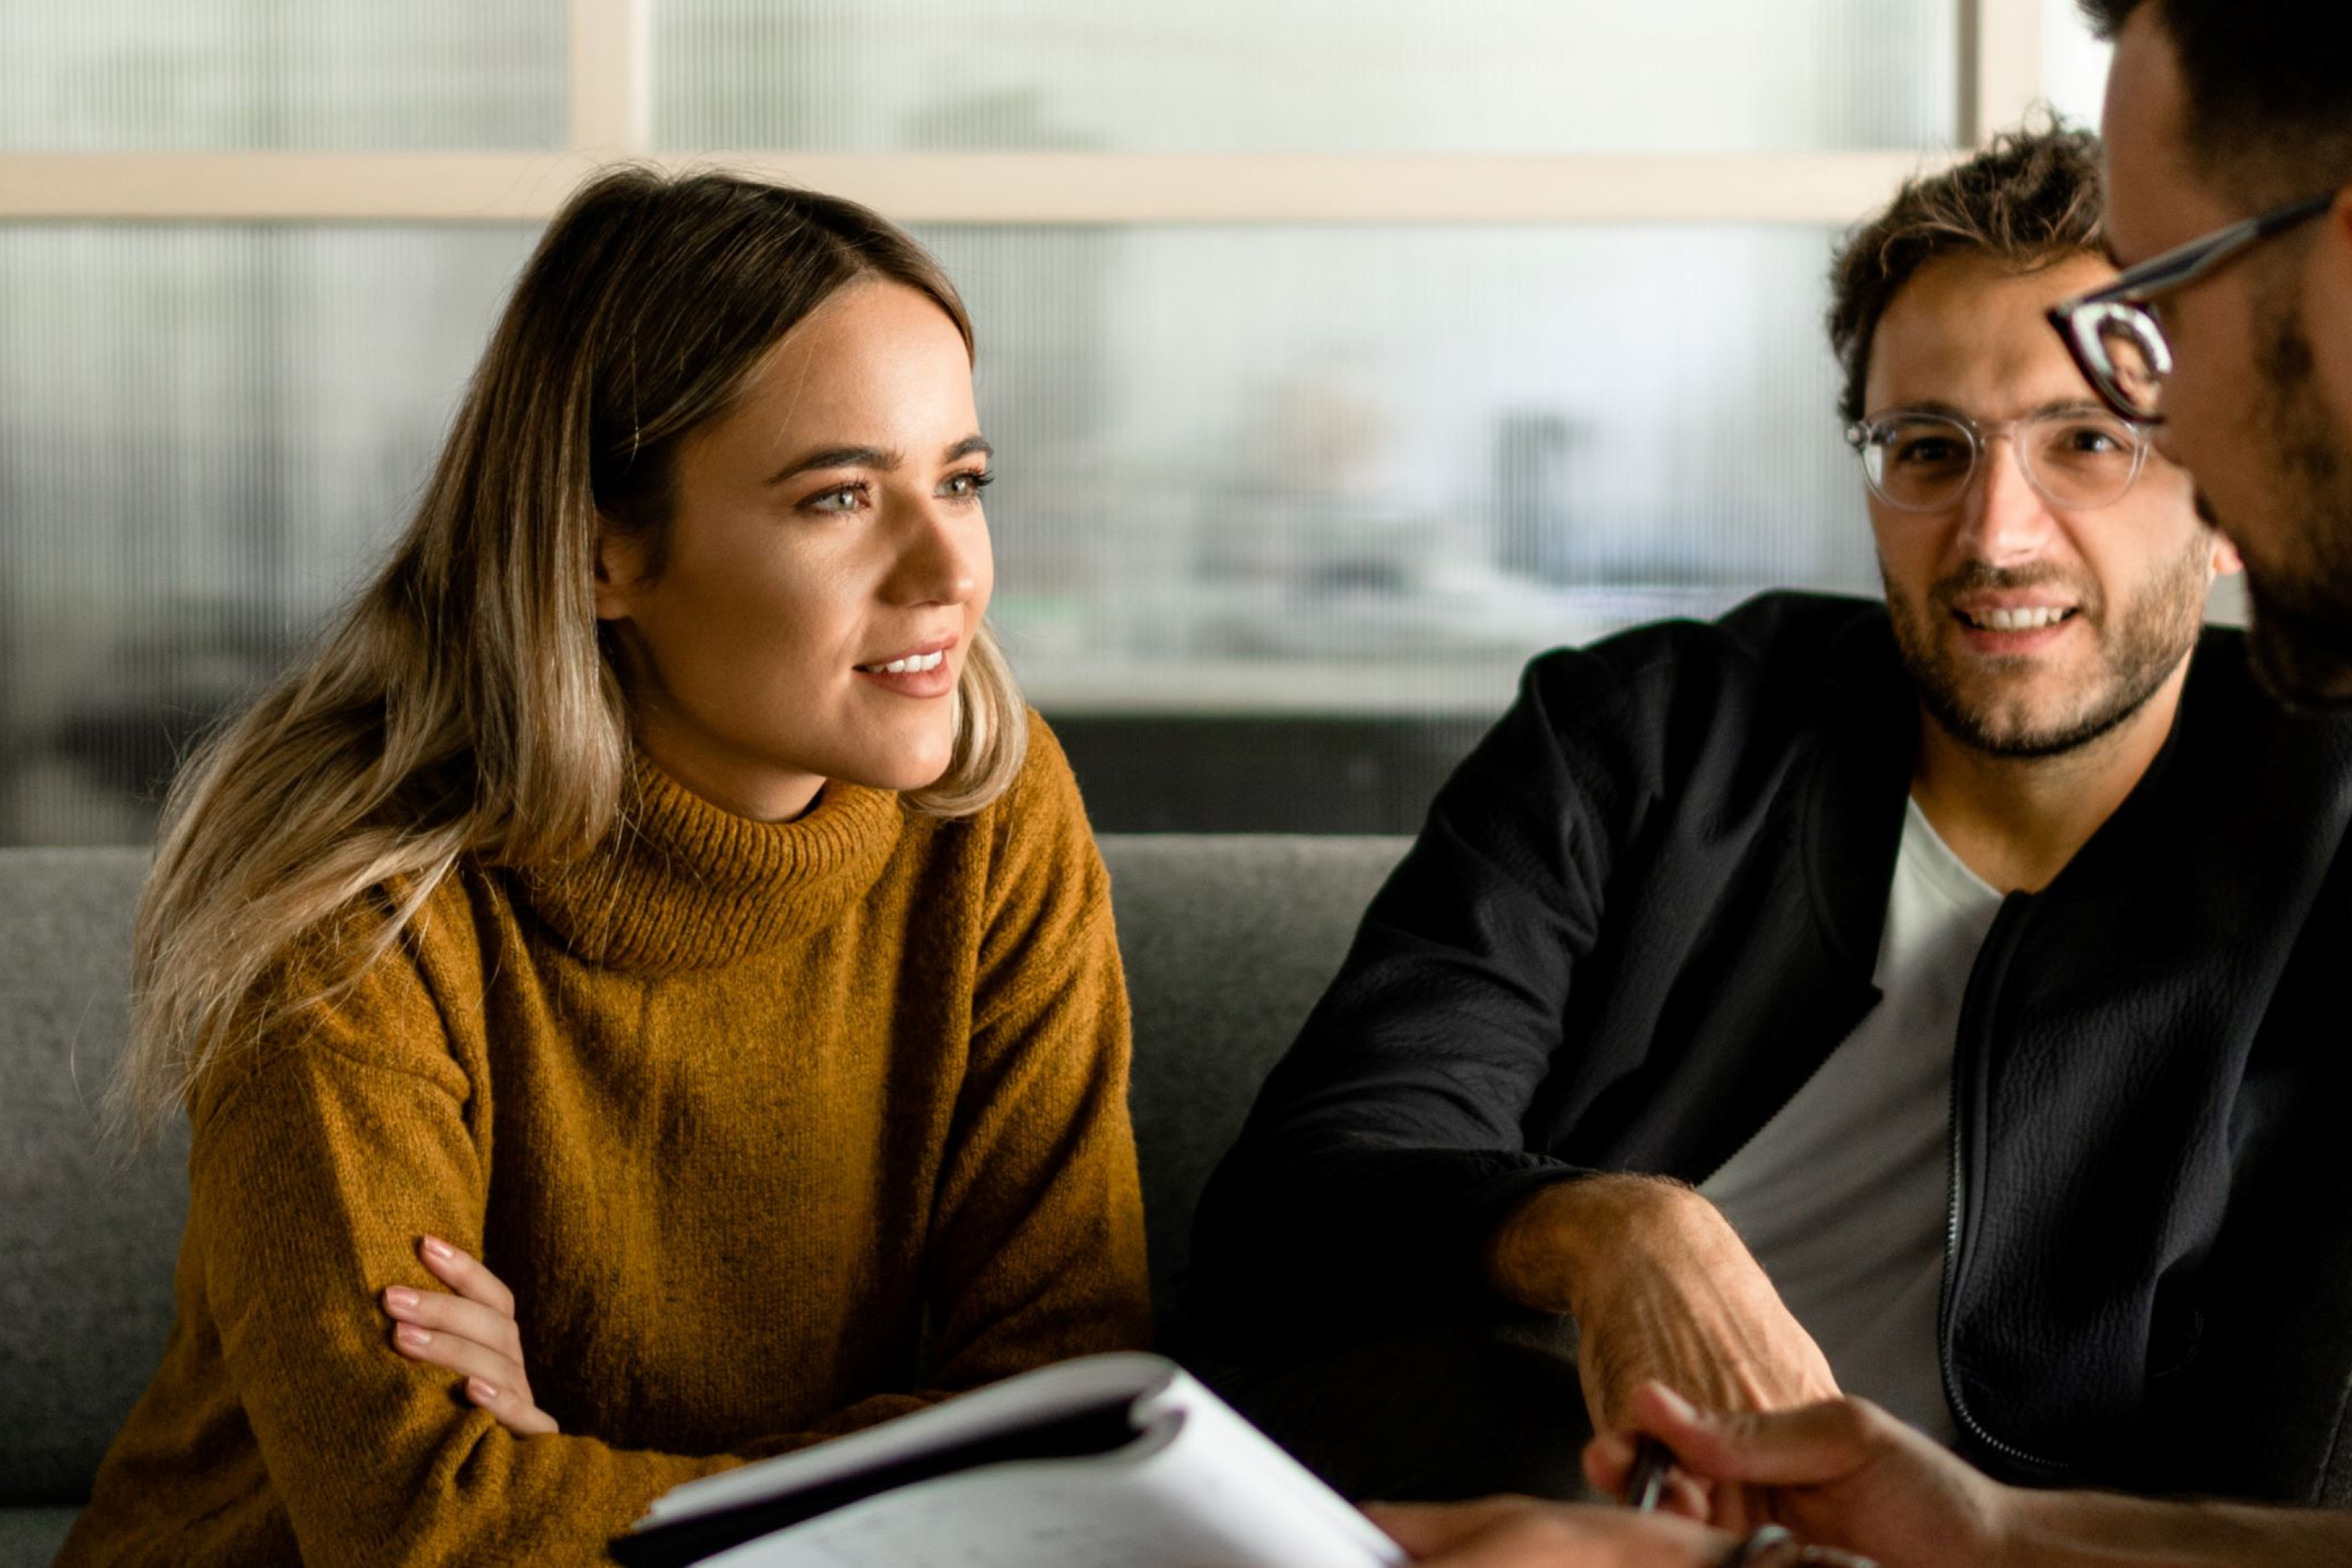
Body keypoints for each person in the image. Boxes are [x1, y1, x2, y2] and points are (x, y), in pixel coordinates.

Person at [1183, 118, 2352, 1513]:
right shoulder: (1645, 733)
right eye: (1927, 447)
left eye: (2088, 442)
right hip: (1540, 1498)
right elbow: (1305, 1189)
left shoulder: (2321, 825)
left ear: (2223, 492)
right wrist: (1612, 1229)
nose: (1995, 534)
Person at [57, 168, 1151, 1565]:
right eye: (838, 497)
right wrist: (903, 1475)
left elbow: (1067, 1412)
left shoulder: (988, 810)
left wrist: (557, 1478)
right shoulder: (353, 901)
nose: (949, 570)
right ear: (597, 554)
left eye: (962, 481)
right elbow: (420, 1527)